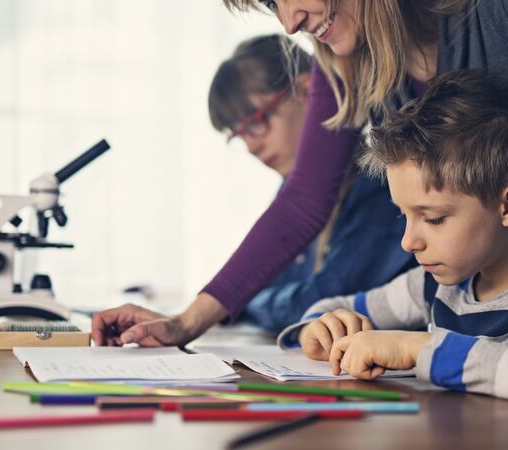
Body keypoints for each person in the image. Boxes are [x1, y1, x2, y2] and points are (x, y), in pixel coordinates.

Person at [97, 0, 508, 439]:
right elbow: (304, 201)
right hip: (492, 270)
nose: (289, 21)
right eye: (271, 5)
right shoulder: (347, 59)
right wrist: (187, 322)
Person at [278, 70, 508, 425]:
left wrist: (420, 349)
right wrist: (318, 329)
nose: (408, 242)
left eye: (433, 218)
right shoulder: (435, 285)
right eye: (404, 215)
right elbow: (330, 308)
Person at [91, 35, 414, 338]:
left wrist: (248, 303)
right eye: (239, 135)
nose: (251, 146)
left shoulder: (382, 185)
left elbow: (315, 302)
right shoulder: (292, 192)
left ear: (306, 92)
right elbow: (272, 284)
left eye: (256, 123)